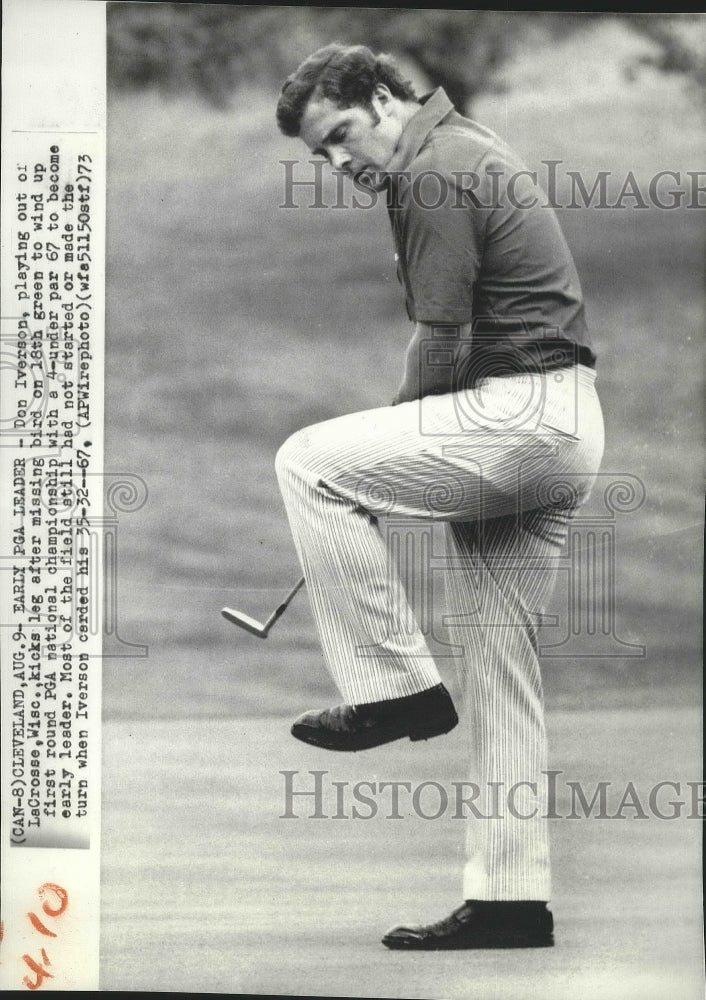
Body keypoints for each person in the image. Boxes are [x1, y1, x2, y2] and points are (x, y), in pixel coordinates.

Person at [274, 43, 604, 950]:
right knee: (499, 660)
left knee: (309, 462)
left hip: (522, 413)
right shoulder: (462, 146)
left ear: (381, 99)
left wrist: (393, 432)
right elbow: (449, 353)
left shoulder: (433, 169)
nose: (337, 163)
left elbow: (445, 344)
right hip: (564, 421)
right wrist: (401, 433)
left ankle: (395, 691)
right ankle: (509, 903)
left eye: (339, 136)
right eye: (319, 155)